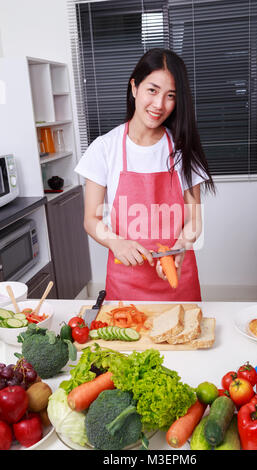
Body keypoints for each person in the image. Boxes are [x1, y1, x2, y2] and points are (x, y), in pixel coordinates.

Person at [75, 48, 215, 302]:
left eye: (170, 96)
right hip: (126, 281)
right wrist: (116, 243)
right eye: (152, 90)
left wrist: (181, 247)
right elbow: (90, 219)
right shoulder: (105, 148)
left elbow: (194, 221)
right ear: (134, 88)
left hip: (176, 278)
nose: (159, 105)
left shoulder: (184, 148)